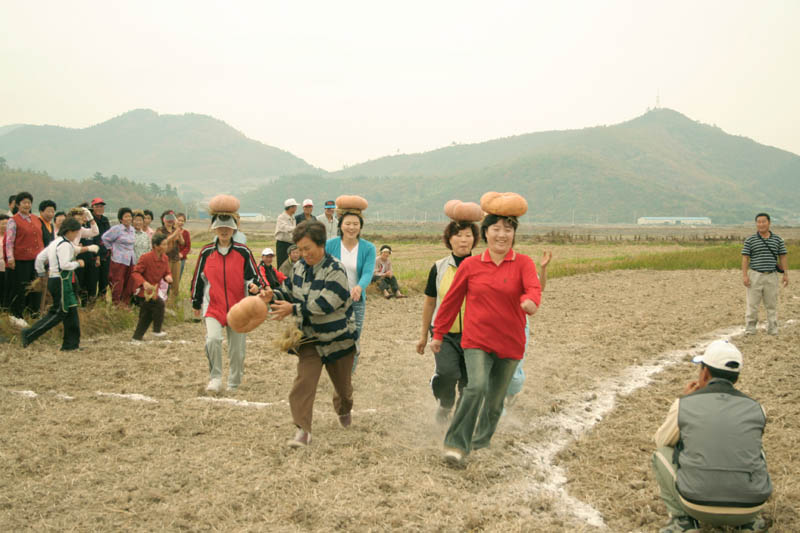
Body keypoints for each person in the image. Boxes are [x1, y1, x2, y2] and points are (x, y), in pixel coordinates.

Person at [430, 196, 541, 465]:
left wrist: (530, 302)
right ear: (486, 233)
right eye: (496, 229)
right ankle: (455, 444)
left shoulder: (524, 263)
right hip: (477, 339)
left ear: (514, 233)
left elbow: (533, 289)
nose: (502, 234)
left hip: (510, 341)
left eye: (508, 229)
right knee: (475, 387)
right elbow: (450, 303)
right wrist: (438, 334)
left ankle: (479, 440)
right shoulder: (471, 265)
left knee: (494, 401)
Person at [652, 340, 771, 533]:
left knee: (660, 454)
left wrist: (683, 400)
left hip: (696, 504)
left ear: (705, 373)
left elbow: (661, 442)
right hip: (750, 506)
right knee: (757, 452)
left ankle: (683, 521)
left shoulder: (686, 405)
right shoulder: (757, 408)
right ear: (736, 378)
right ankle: (749, 523)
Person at [268, 220, 358, 448]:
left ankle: (344, 409)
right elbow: (288, 290)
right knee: (304, 383)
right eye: (299, 249)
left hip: (338, 338)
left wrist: (294, 309)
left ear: (321, 245)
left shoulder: (335, 269)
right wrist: (271, 294)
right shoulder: (299, 268)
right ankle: (303, 430)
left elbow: (326, 303)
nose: (303, 253)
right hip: (310, 338)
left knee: (343, 389)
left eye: (307, 248)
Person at [417, 216, 481, 424]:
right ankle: (445, 404)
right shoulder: (439, 267)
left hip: (474, 334)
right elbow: (429, 303)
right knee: (447, 373)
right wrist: (423, 336)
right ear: (449, 239)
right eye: (458, 235)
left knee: (468, 382)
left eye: (468, 235)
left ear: (475, 239)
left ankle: (460, 421)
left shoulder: (483, 266)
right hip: (443, 333)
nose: (463, 240)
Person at [191, 212, 264, 393]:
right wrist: (195, 302)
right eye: (220, 228)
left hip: (238, 307)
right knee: (213, 340)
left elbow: (255, 276)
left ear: (234, 229)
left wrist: (256, 287)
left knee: (237, 350)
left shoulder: (243, 251)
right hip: (213, 305)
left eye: (228, 228)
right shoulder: (206, 252)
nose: (224, 231)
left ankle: (234, 382)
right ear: (214, 229)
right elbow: (198, 279)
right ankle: (215, 378)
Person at [325, 198, 376, 373]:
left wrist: (359, 287)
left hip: (356, 300)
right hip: (333, 300)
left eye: (355, 224)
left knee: (353, 338)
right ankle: (334, 370)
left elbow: (368, 272)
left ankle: (347, 375)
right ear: (341, 225)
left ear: (360, 226)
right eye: (348, 223)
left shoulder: (368, 248)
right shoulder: (330, 245)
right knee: (333, 337)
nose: (352, 227)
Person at [20, 218, 84, 351]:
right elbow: (65, 265)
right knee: (58, 312)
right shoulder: (65, 244)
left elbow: (40, 259)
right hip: (62, 281)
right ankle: (29, 334)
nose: (77, 235)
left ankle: (71, 344)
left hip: (55, 280)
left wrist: (42, 274)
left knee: (71, 311)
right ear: (70, 231)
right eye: (76, 233)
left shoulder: (55, 242)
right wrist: (78, 263)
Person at [505, 251, 551, 408]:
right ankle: (496, 407)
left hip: (518, 327)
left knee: (514, 372)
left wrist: (543, 269)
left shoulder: (523, 272)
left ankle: (512, 393)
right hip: (496, 326)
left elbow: (540, 288)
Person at [741, 212, 789, 336]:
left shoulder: (777, 240)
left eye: (763, 221)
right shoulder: (750, 240)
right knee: (752, 305)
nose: (761, 224)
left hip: (771, 276)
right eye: (759, 222)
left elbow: (783, 257)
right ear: (756, 224)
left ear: (769, 223)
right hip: (755, 275)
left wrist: (785, 274)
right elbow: (745, 258)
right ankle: (750, 329)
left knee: (771, 304)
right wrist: (745, 275)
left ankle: (773, 329)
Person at [5, 191, 45, 323]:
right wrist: (10, 258)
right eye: (24, 203)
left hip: (36, 259)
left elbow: (41, 238)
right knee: (21, 287)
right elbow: (9, 241)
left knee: (37, 287)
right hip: (21, 259)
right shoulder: (13, 220)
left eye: (29, 203)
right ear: (18, 204)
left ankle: (34, 314)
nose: (27, 205)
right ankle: (17, 315)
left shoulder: (36, 219)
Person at [130, 232, 173, 341]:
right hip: (142, 291)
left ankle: (137, 337)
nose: (166, 247)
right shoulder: (146, 257)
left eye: (166, 244)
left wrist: (168, 277)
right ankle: (157, 330)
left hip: (154, 291)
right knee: (159, 304)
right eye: (163, 244)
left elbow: (167, 272)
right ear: (155, 245)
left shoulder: (165, 258)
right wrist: (144, 283)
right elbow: (135, 272)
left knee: (146, 315)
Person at [101, 207, 138, 306]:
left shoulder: (132, 230)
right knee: (118, 282)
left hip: (130, 259)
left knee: (129, 282)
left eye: (130, 216)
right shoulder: (117, 229)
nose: (128, 218)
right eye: (126, 216)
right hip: (119, 259)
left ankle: (125, 304)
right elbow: (105, 238)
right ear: (121, 219)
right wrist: (110, 248)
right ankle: (116, 304)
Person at [156, 210, 184, 306]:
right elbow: (164, 241)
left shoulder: (175, 230)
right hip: (164, 259)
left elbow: (182, 242)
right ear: (163, 219)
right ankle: (162, 303)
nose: (170, 221)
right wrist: (175, 233)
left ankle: (172, 304)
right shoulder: (160, 230)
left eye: (172, 218)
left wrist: (178, 232)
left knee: (175, 283)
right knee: (164, 283)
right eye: (167, 218)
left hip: (175, 259)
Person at [87, 197, 111, 303]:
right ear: (92, 207)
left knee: (104, 280)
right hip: (93, 254)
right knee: (92, 280)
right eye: (97, 206)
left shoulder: (105, 220)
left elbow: (109, 235)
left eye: (101, 206)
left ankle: (102, 299)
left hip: (105, 254)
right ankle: (90, 301)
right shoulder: (89, 220)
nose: (100, 208)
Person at [275, 198, 298, 267]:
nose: (296, 208)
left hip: (291, 244)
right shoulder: (281, 217)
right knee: (282, 263)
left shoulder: (293, 218)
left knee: (291, 264)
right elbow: (285, 228)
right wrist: (297, 228)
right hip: (282, 244)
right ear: (290, 207)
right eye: (295, 207)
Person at [177, 212, 191, 279]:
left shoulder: (186, 233)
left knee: (178, 278)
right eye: (179, 220)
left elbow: (188, 247)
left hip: (181, 259)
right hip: (171, 258)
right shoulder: (171, 231)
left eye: (182, 221)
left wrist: (182, 254)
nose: (180, 222)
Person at [0, 214, 8, 309]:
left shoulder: (11, 238)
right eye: (2, 224)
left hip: (6, 268)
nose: (4, 226)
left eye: (7, 224)